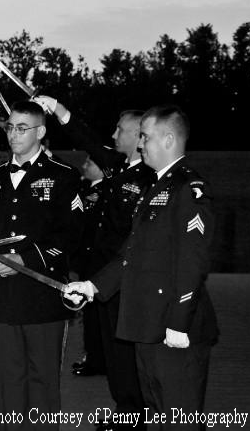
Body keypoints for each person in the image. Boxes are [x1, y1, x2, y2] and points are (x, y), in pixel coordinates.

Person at [66, 105, 219, 431]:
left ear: (168, 140)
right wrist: (94, 286)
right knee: (158, 411)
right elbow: (131, 254)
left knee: (180, 420)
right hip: (149, 326)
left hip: (174, 329)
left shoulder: (187, 189)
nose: (140, 145)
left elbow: (194, 261)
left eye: (146, 137)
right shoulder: (158, 187)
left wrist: (178, 324)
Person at [34, 95, 152, 431]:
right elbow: (85, 139)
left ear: (137, 134)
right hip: (101, 275)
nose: (114, 136)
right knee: (112, 352)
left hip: (123, 278)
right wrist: (57, 109)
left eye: (120, 130)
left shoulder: (148, 176)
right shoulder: (120, 167)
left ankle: (133, 415)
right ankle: (125, 409)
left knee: (124, 351)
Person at [0, 100, 84, 430]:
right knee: (4, 381)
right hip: (0, 296)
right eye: (10, 126)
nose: (13, 133)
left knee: (41, 381)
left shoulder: (64, 176)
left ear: (40, 132)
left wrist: (24, 259)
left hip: (42, 295)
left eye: (22, 127)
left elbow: (72, 236)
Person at [70, 156, 106, 377]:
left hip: (97, 262)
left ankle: (96, 359)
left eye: (91, 163)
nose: (84, 166)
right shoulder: (85, 189)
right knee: (89, 315)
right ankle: (92, 356)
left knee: (95, 315)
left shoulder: (103, 191)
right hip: (85, 260)